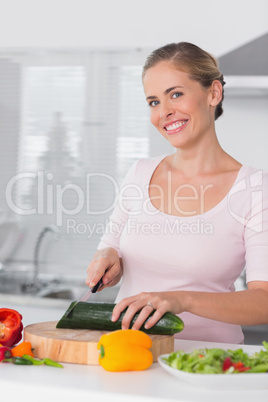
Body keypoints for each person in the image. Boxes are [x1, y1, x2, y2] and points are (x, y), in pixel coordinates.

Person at [86, 42, 268, 343]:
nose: (165, 112)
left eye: (176, 94)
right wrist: (107, 257)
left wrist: (181, 300)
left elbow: (263, 301)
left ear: (213, 93)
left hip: (206, 363)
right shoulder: (140, 173)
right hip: (132, 355)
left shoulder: (255, 189)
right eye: (153, 102)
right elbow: (111, 247)